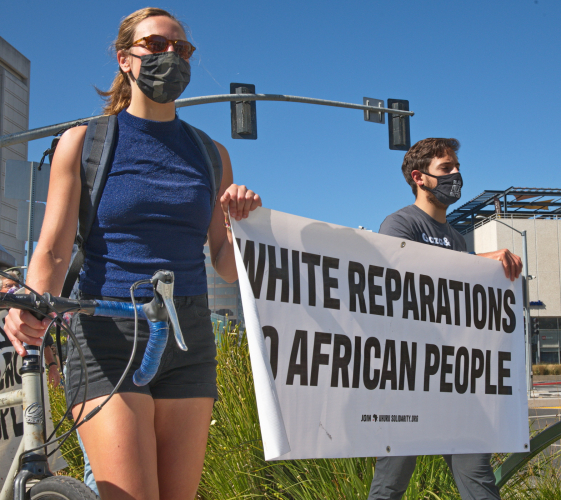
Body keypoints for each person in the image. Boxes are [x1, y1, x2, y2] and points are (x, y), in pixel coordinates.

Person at [3, 7, 261, 500]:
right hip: (107, 331)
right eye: (156, 46)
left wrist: (239, 224)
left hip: (189, 337)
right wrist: (29, 306)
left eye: (181, 49)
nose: (172, 57)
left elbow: (225, 263)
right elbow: (53, 249)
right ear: (125, 59)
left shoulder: (212, 154)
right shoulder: (84, 142)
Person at [368, 138, 522, 500]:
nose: (456, 176)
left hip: (454, 380)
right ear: (419, 178)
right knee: (391, 484)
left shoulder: (455, 238)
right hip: (410, 380)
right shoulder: (399, 224)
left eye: (457, 168)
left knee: (478, 481)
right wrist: (478, 263)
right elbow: (402, 279)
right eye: (446, 169)